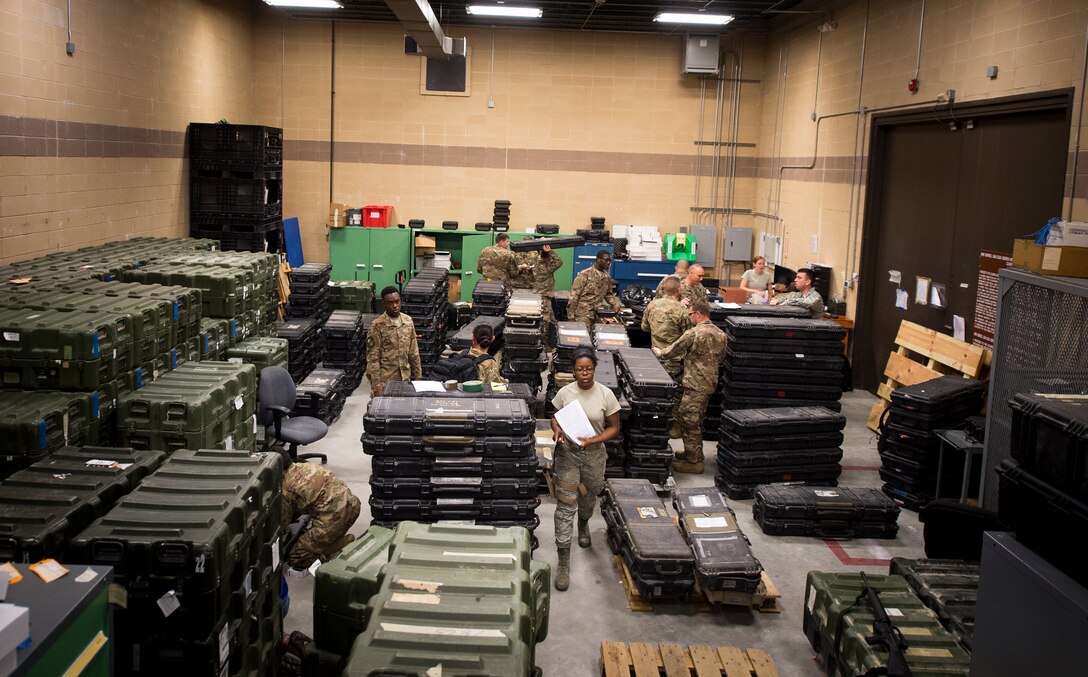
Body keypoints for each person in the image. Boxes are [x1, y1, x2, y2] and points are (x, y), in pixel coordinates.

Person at [550, 349, 621, 591]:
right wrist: (557, 430)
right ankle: (563, 563)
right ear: (573, 370)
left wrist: (592, 440)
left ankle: (584, 522)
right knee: (564, 506)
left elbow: (614, 428)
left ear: (594, 369)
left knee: (590, 496)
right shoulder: (565, 392)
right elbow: (556, 417)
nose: (584, 373)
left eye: (588, 369)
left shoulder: (605, 394)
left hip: (594, 455)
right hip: (568, 455)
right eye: (580, 369)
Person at [653, 300, 726, 474]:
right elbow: (721, 359)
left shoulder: (693, 333)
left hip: (694, 384)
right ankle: (692, 452)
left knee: (687, 420)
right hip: (709, 383)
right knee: (697, 419)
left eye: (690, 314)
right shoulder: (720, 334)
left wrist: (659, 352)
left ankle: (694, 463)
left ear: (698, 314)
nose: (689, 317)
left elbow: (673, 351)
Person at [280, 452, 361, 570]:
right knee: (311, 535)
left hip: (334, 519)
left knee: (297, 557)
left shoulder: (286, 488)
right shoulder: (306, 466)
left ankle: (341, 544)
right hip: (352, 506)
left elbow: (282, 523)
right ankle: (329, 539)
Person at [365, 286, 422, 396]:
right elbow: (373, 359)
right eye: (390, 303)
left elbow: (413, 352)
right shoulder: (377, 325)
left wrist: (418, 377)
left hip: (405, 379)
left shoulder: (408, 321)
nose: (395, 306)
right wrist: (377, 386)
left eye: (397, 301)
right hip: (386, 383)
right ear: (384, 304)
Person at [640, 276, 690, 380]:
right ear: (679, 289)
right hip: (674, 360)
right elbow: (688, 335)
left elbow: (644, 327)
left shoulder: (652, 305)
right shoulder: (682, 309)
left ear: (664, 288)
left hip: (656, 355)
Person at [567, 250, 621, 329]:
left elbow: (608, 294)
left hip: (597, 314)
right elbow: (574, 296)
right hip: (583, 314)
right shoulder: (585, 274)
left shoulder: (606, 277)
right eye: (606, 260)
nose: (609, 263)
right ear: (598, 259)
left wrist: (615, 305)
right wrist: (570, 317)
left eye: (610, 261)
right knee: (584, 338)